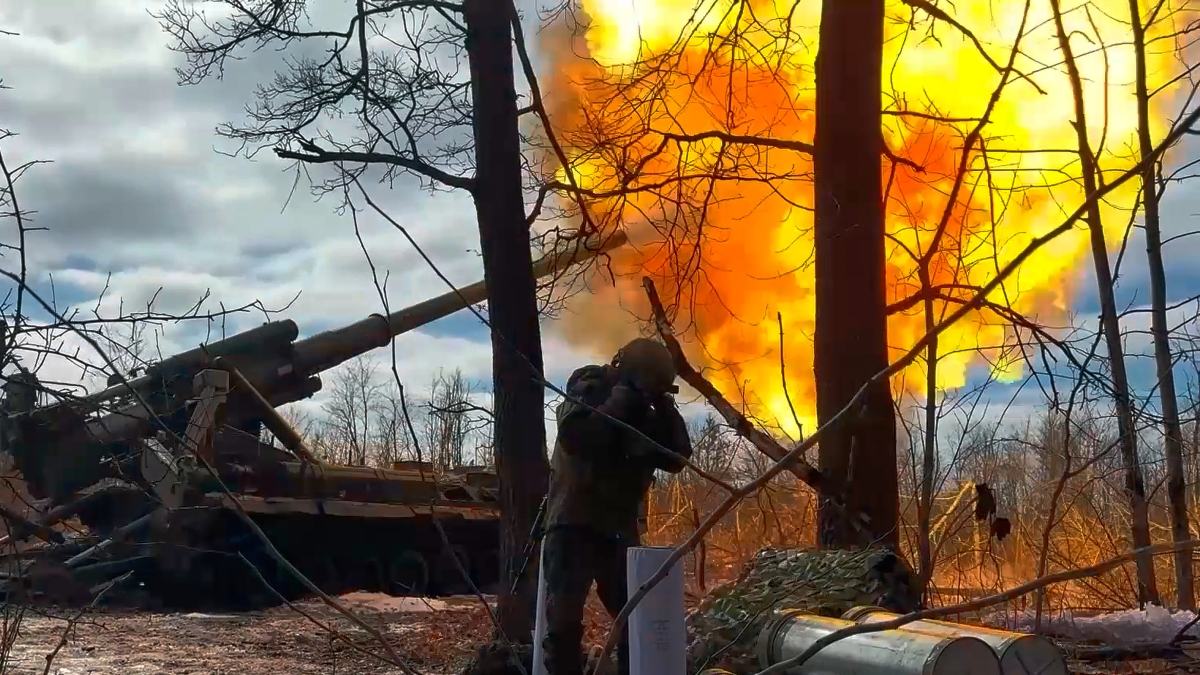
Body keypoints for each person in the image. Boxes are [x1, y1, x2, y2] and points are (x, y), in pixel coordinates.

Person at [541, 337, 694, 675]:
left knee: (635, 618)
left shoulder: (645, 414)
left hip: (617, 530)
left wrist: (665, 407)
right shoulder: (590, 388)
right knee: (564, 620)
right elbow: (577, 438)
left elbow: (678, 457)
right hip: (574, 524)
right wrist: (621, 399)